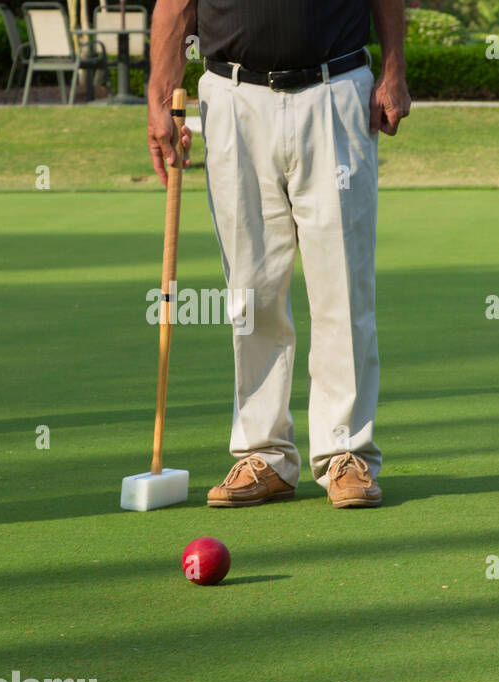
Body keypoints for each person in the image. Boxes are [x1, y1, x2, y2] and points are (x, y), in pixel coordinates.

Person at [146, 0, 411, 508]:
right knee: (251, 289)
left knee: (342, 285)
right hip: (233, 96)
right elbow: (177, 4)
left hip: (336, 90)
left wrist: (395, 68)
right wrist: (160, 96)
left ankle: (346, 453)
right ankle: (263, 454)